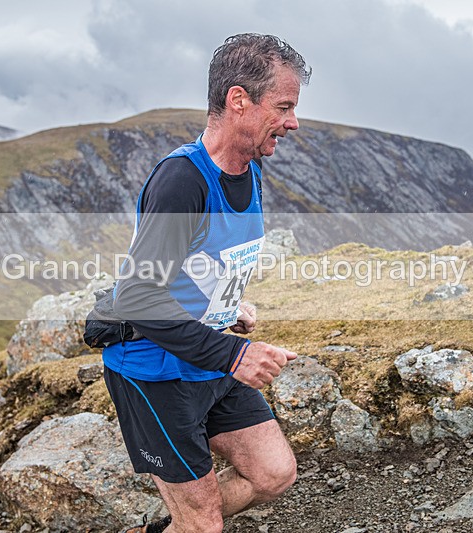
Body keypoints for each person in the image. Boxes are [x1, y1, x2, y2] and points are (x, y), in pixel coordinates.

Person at [101, 33, 311, 533]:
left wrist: (224, 305)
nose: (293, 122)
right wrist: (237, 355)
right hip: (154, 372)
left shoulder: (250, 169)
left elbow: (200, 260)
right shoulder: (182, 182)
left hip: (205, 357)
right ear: (239, 99)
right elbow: (137, 296)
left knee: (273, 474)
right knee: (203, 524)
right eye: (283, 107)